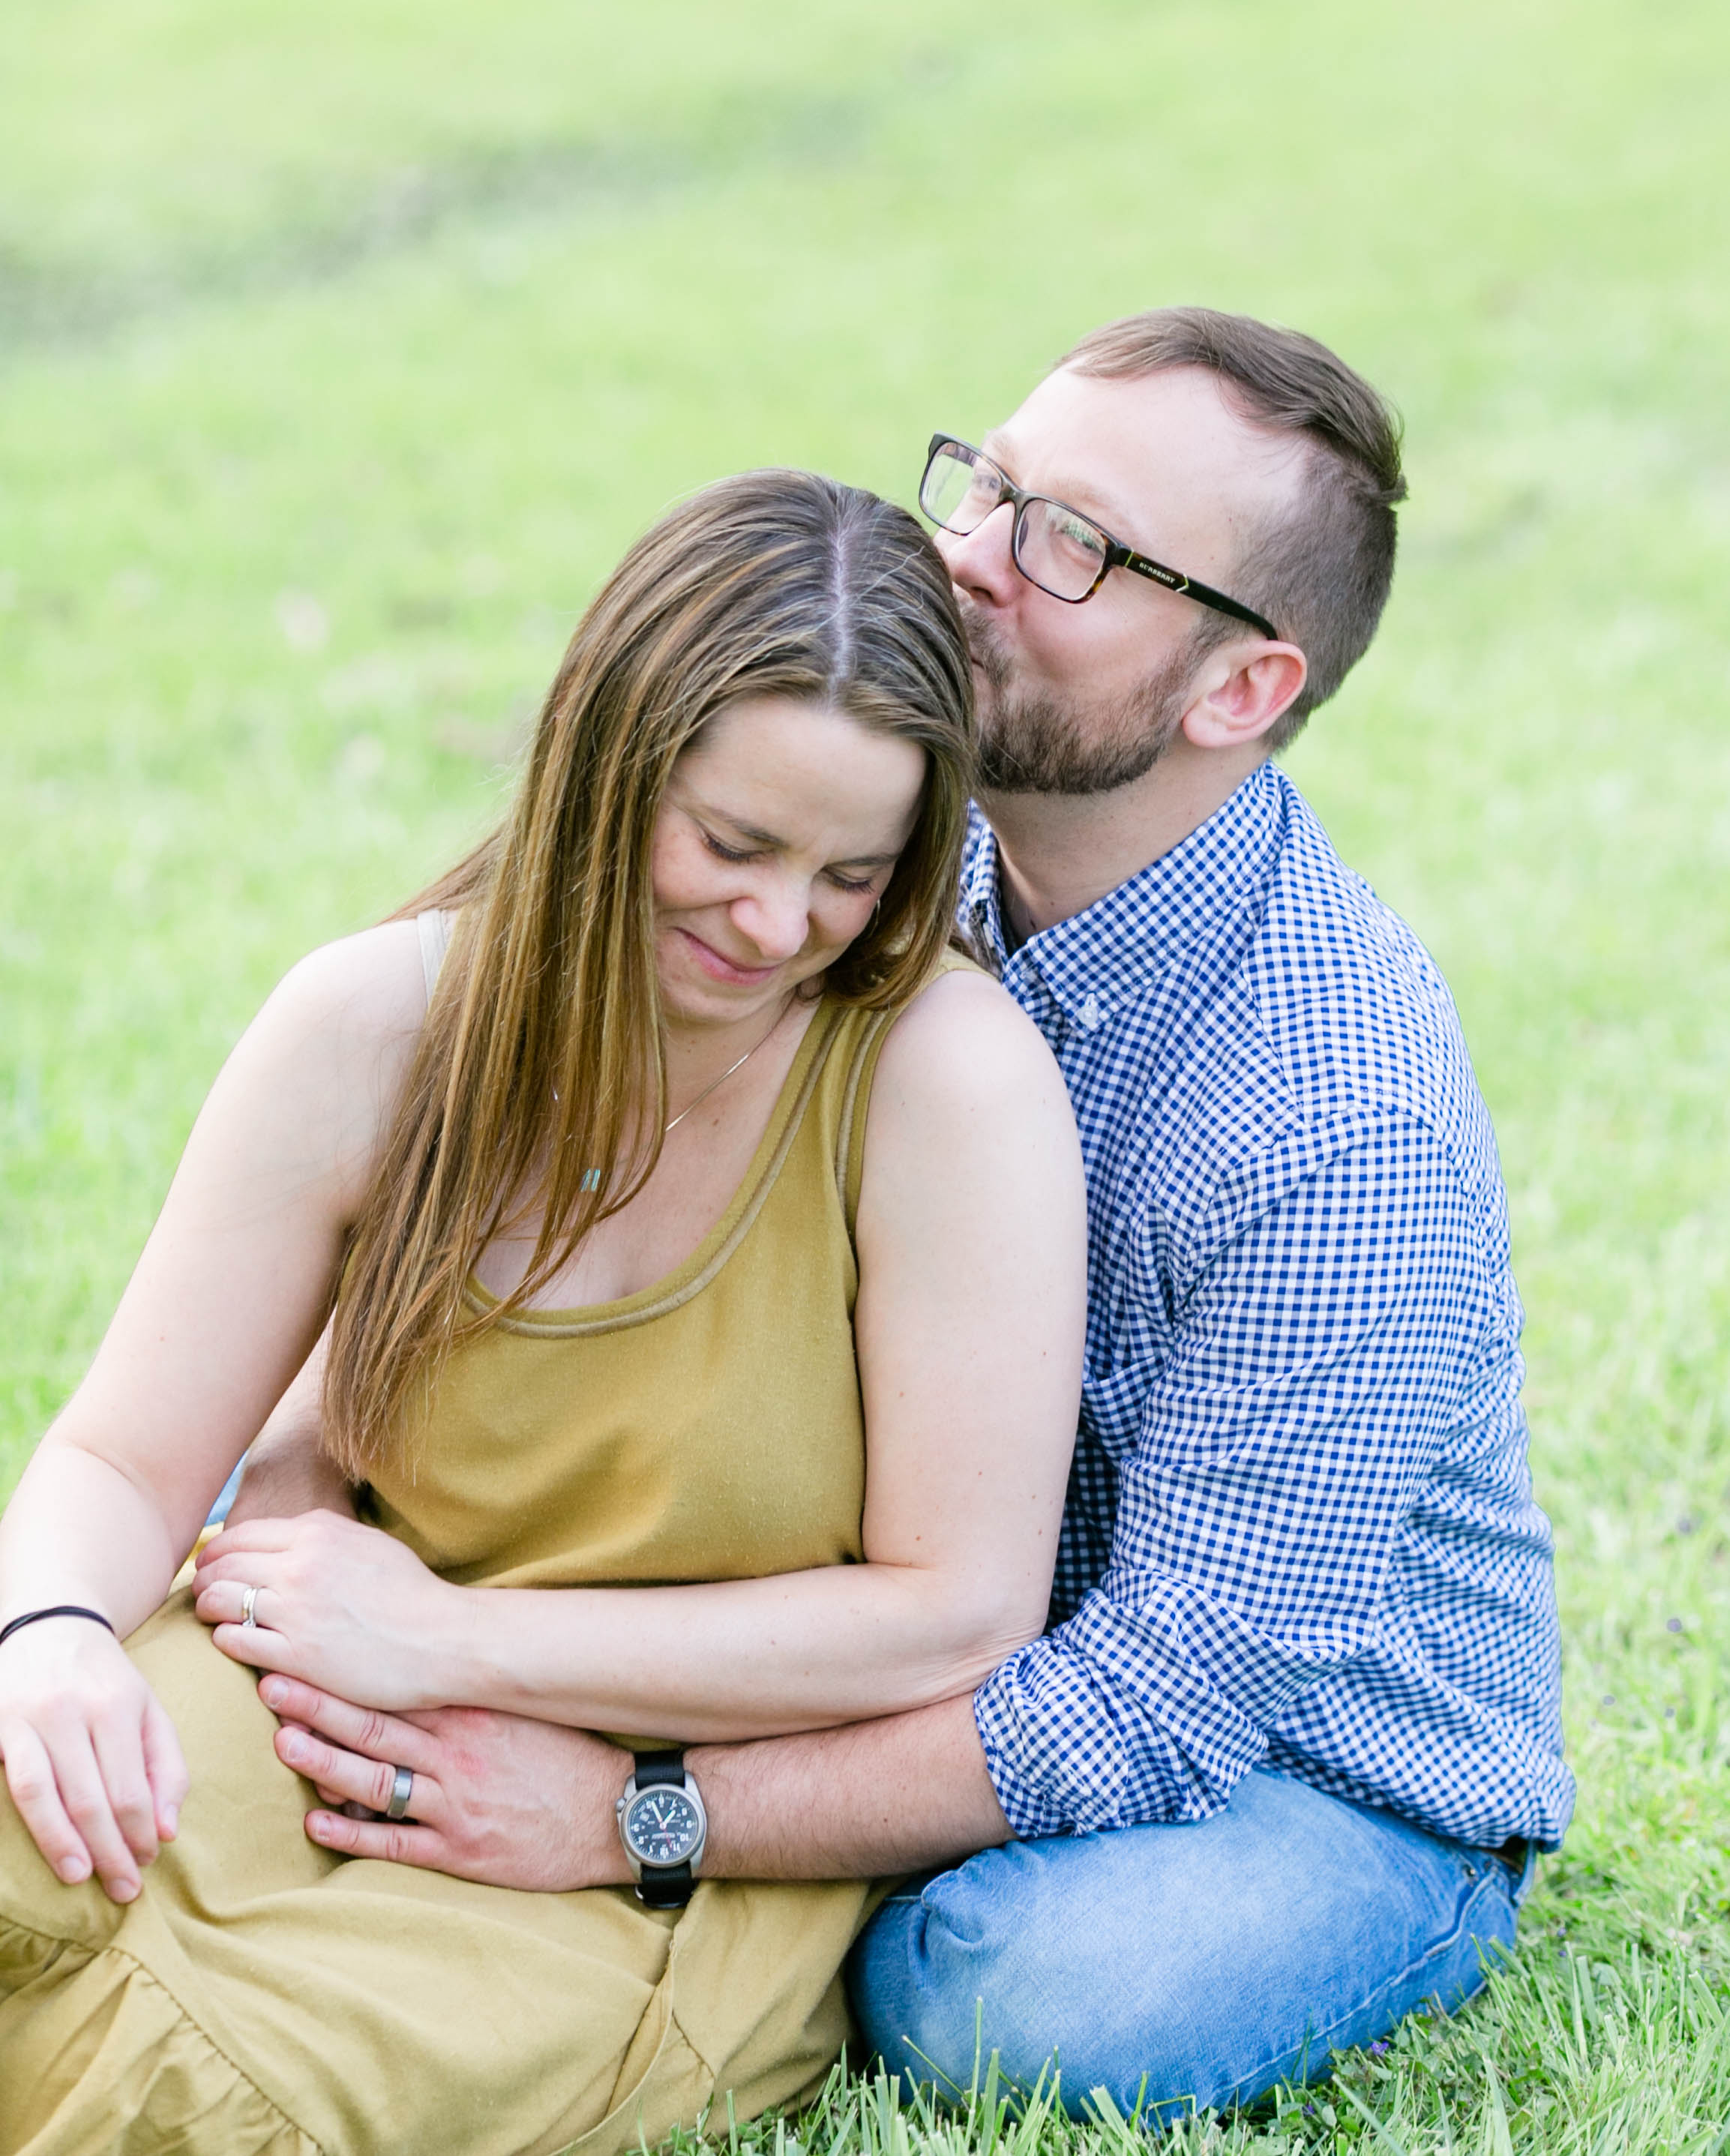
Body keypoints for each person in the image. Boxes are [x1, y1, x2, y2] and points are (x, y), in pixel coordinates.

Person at [237, 307, 1574, 2125]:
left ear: (1238, 689)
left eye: (1071, 543)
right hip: (902, 1626)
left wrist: (633, 1805)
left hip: (1307, 1762)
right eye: (991, 483)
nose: (967, 560)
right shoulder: (865, 859)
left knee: (989, 1992)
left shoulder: (1336, 1118)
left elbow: (1160, 1698)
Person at [0, 471, 1090, 2156]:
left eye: (852, 873)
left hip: (669, 1825)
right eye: (730, 842)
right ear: (601, 769)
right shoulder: (372, 1022)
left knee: (194, 2087)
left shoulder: (940, 1082)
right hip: (322, 1694)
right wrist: (52, 1631)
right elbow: (129, 1455)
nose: (775, 921)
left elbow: (953, 1613)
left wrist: (459, 1641)